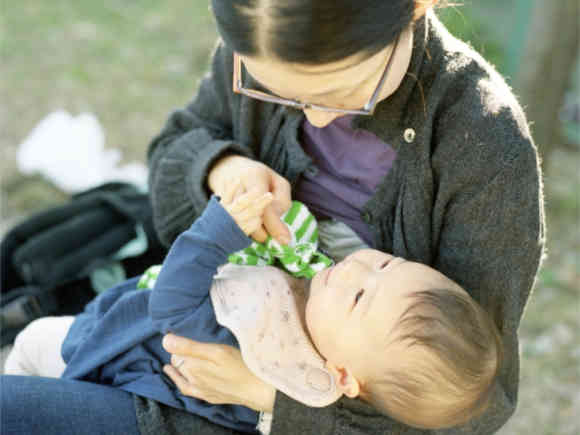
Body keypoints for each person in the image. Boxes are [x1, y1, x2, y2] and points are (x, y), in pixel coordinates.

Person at [0, 0, 544, 434]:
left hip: (206, 409)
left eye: (339, 93)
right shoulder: (267, 32)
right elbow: (172, 148)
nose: (314, 116)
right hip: (152, 337)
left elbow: (473, 404)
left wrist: (277, 401)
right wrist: (220, 168)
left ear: (418, 7)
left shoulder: (482, 144)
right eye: (276, 91)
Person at [4, 186, 502, 432]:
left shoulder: (269, 350)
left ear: (344, 377)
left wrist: (217, 230)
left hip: (114, 355)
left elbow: (173, 306)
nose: (356, 269)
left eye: (359, 297)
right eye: (386, 264)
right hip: (122, 334)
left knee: (31, 346)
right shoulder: (321, 316)